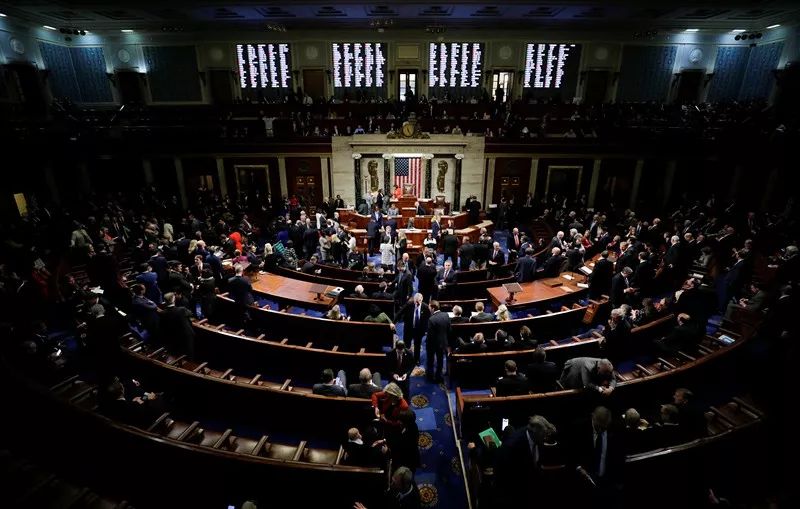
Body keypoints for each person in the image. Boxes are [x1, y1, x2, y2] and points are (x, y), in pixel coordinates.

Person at [567, 406, 625, 506]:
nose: (602, 430)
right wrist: (579, 467)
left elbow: (618, 455)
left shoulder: (615, 428)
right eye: (599, 426)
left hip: (608, 483)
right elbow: (571, 453)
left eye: (604, 427)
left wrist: (618, 482)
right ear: (593, 417)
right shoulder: (578, 428)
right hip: (586, 482)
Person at [395, 294, 430, 365]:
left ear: (422, 299)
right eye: (415, 301)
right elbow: (399, 313)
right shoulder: (409, 304)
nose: (417, 303)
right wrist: (393, 322)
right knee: (407, 345)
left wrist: (426, 329)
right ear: (414, 300)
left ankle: (416, 360)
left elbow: (428, 319)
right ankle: (406, 359)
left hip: (419, 330)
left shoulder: (425, 307)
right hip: (408, 329)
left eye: (419, 301)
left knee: (417, 346)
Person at [158, 292, 195, 359]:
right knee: (189, 353)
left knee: (179, 354)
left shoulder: (163, 313)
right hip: (186, 336)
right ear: (173, 300)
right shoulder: (181, 310)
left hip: (174, 336)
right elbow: (190, 313)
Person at [426, 300, 451, 383]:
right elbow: (449, 330)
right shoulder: (446, 315)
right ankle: (438, 376)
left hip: (433, 344)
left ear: (433, 308)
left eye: (429, 306)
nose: (428, 308)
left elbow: (430, 336)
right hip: (443, 342)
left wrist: (427, 345)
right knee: (440, 360)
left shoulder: (431, 319)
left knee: (431, 360)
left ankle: (430, 375)